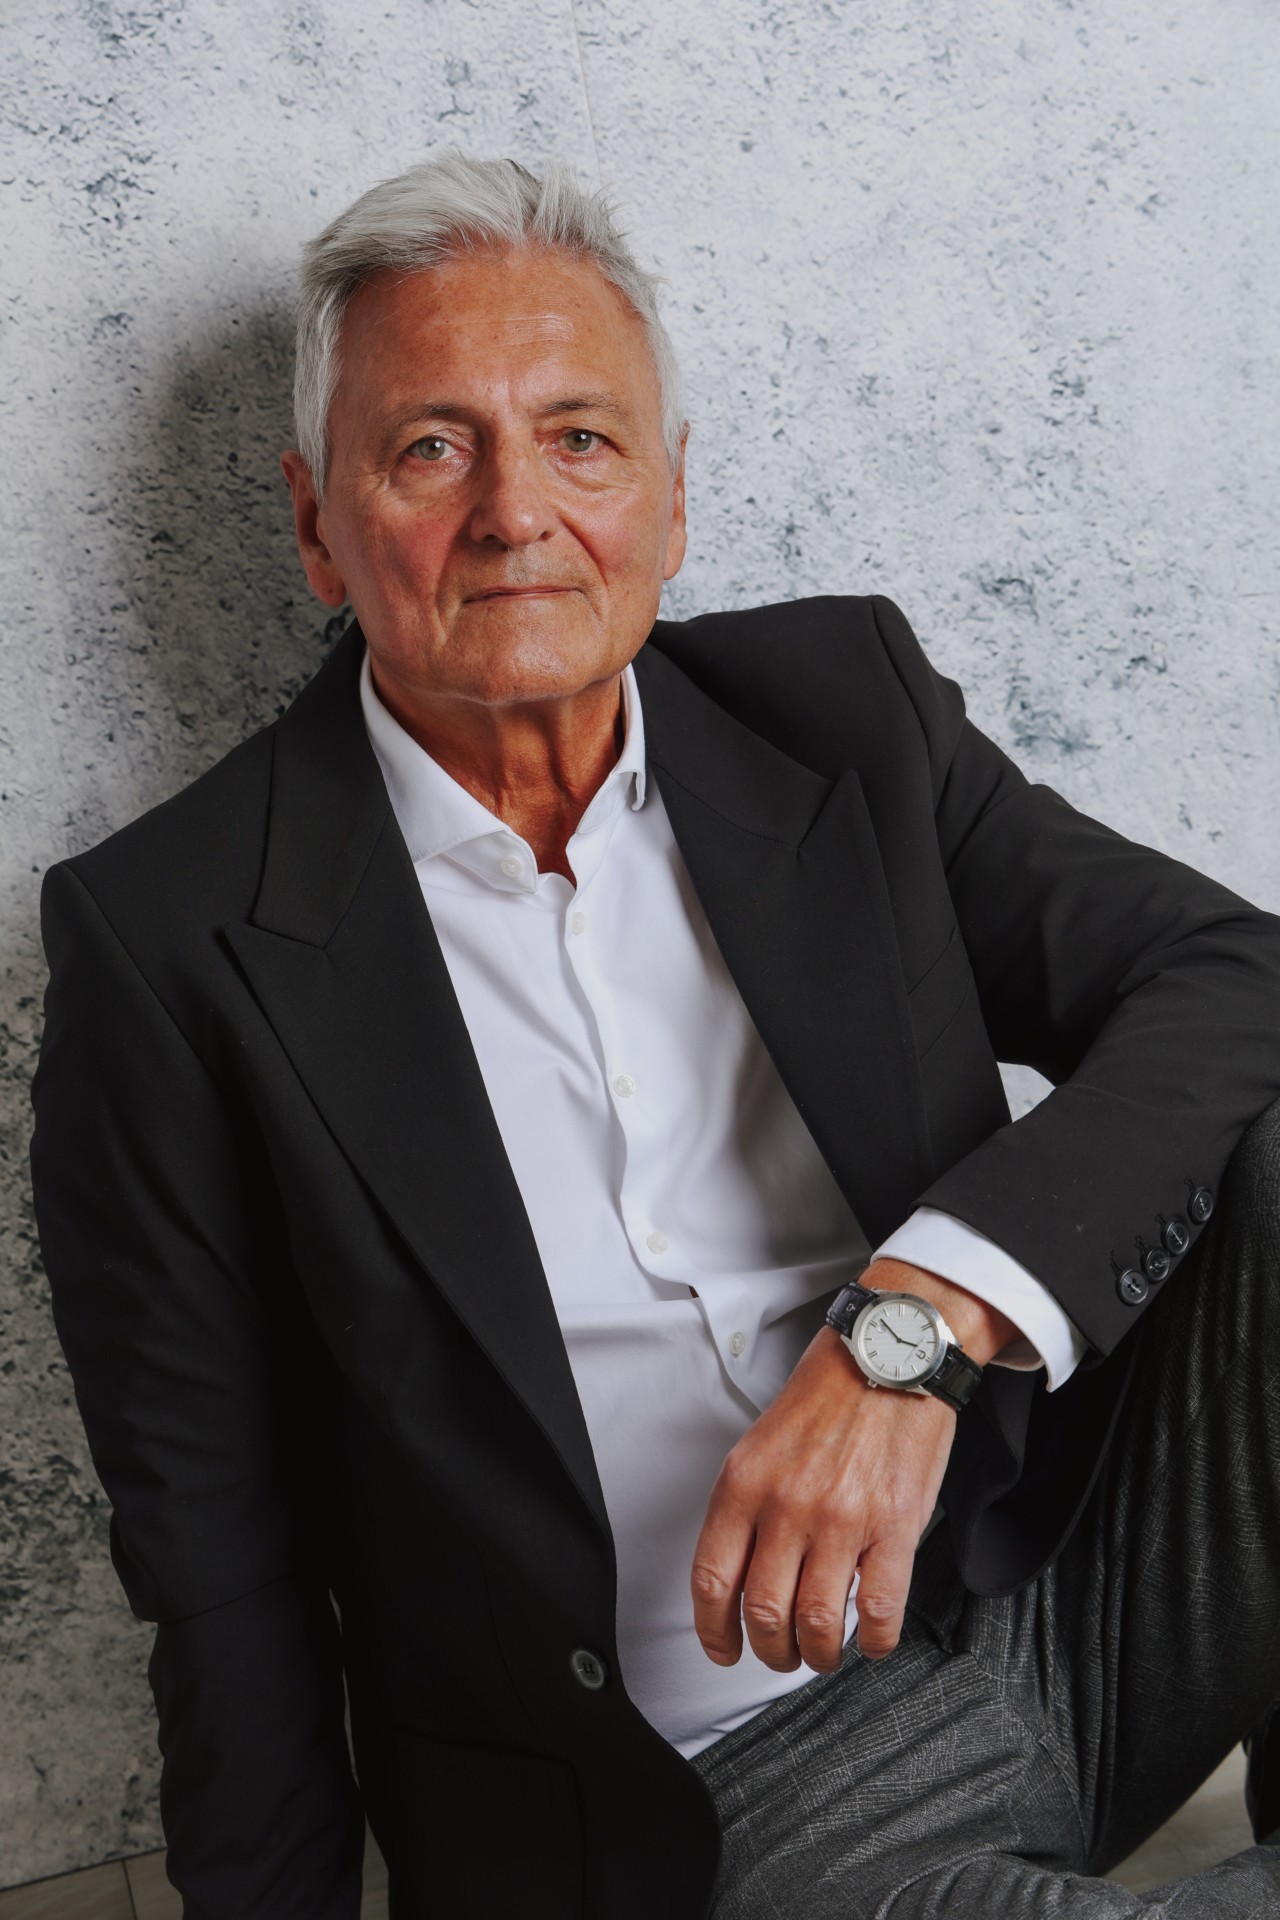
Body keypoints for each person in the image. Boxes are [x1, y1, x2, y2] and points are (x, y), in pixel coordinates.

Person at [28, 152, 1280, 1919]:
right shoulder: (171, 943)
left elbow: (1234, 977)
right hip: (711, 1796)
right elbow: (212, 1550)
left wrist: (916, 1326)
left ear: (671, 504)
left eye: (581, 440)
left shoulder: (843, 715)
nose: (517, 513)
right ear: (317, 525)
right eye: (433, 447)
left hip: (1064, 1575)